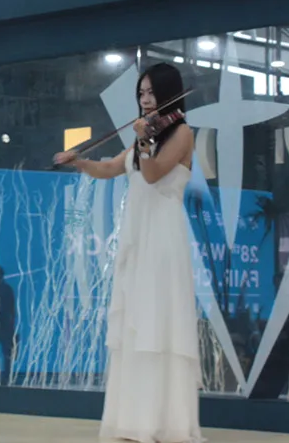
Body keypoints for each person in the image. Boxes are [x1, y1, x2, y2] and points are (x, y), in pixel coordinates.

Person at [54, 62, 202, 443]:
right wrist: (78, 161)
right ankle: (134, 421)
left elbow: (152, 175)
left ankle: (164, 423)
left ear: (168, 93)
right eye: (141, 93)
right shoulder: (142, 138)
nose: (145, 99)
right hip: (137, 238)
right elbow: (110, 168)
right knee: (136, 324)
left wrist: (144, 143)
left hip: (163, 240)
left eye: (151, 92)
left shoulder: (182, 133)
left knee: (158, 322)